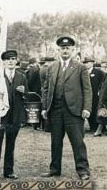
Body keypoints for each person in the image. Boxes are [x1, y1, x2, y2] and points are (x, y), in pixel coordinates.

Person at [41, 36, 92, 180]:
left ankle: (83, 170)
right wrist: (45, 107)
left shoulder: (80, 67)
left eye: (68, 48)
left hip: (74, 111)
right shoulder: (51, 67)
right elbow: (46, 89)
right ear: (58, 50)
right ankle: (55, 169)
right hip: (55, 110)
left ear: (73, 50)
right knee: (55, 142)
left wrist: (86, 108)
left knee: (78, 142)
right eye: (62, 48)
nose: (65, 51)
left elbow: (87, 90)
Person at [0, 50, 28, 182]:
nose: (11, 61)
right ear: (3, 62)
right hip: (0, 115)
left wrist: (23, 92)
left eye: (13, 59)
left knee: (11, 144)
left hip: (15, 115)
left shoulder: (22, 76)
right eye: (8, 59)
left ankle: (9, 171)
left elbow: (27, 95)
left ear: (16, 61)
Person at [82, 57, 105, 134]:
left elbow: (103, 82)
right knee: (89, 109)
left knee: (96, 110)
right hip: (87, 95)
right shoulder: (84, 72)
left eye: (88, 62)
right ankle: (92, 127)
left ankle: (97, 127)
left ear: (92, 63)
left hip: (96, 95)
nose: (86, 64)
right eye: (85, 63)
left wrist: (100, 91)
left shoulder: (99, 72)